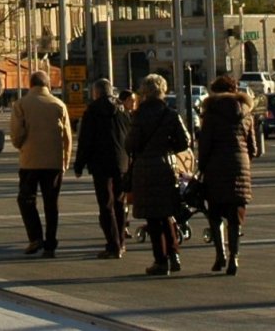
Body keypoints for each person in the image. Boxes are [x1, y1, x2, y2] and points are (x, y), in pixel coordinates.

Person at [123, 73, 189, 277]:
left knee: (153, 217)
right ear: (163, 91)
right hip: (166, 167)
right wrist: (167, 146)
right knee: (167, 213)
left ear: (143, 92)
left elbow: (130, 144)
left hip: (144, 169)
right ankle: (174, 255)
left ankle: (160, 261)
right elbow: (184, 142)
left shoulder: (138, 115)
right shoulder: (170, 114)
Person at [196, 74, 259, 276]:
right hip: (239, 167)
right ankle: (234, 257)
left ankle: (220, 255)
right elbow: (253, 148)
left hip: (216, 168)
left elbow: (205, 146)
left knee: (215, 214)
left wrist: (202, 167)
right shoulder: (246, 113)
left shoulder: (211, 115)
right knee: (235, 216)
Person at [9, 70, 72, 257]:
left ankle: (35, 237)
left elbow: (16, 135)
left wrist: (21, 145)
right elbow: (67, 137)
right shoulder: (59, 105)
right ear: (47, 86)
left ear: (31, 85)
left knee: (26, 199)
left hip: (30, 162)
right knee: (51, 203)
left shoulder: (21, 104)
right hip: (54, 162)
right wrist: (65, 161)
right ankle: (50, 243)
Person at [73, 77, 131, 259]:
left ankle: (112, 245)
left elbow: (86, 140)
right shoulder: (122, 110)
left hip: (100, 163)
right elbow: (129, 135)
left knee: (106, 205)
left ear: (96, 92)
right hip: (122, 162)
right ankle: (121, 242)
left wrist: (79, 164)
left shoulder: (92, 111)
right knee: (120, 203)